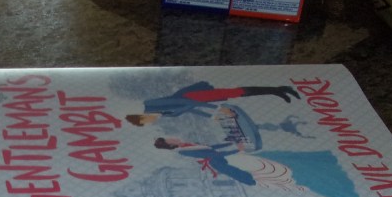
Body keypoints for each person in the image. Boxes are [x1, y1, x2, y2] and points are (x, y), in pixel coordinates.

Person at [126, 81, 299, 125]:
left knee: (236, 92)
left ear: (142, 117)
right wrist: (213, 115)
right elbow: (192, 110)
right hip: (198, 100)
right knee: (237, 93)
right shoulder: (164, 115)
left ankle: (277, 89)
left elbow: (186, 102)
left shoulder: (152, 105)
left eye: (145, 121)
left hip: (196, 95)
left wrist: (218, 109)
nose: (150, 122)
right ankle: (277, 90)